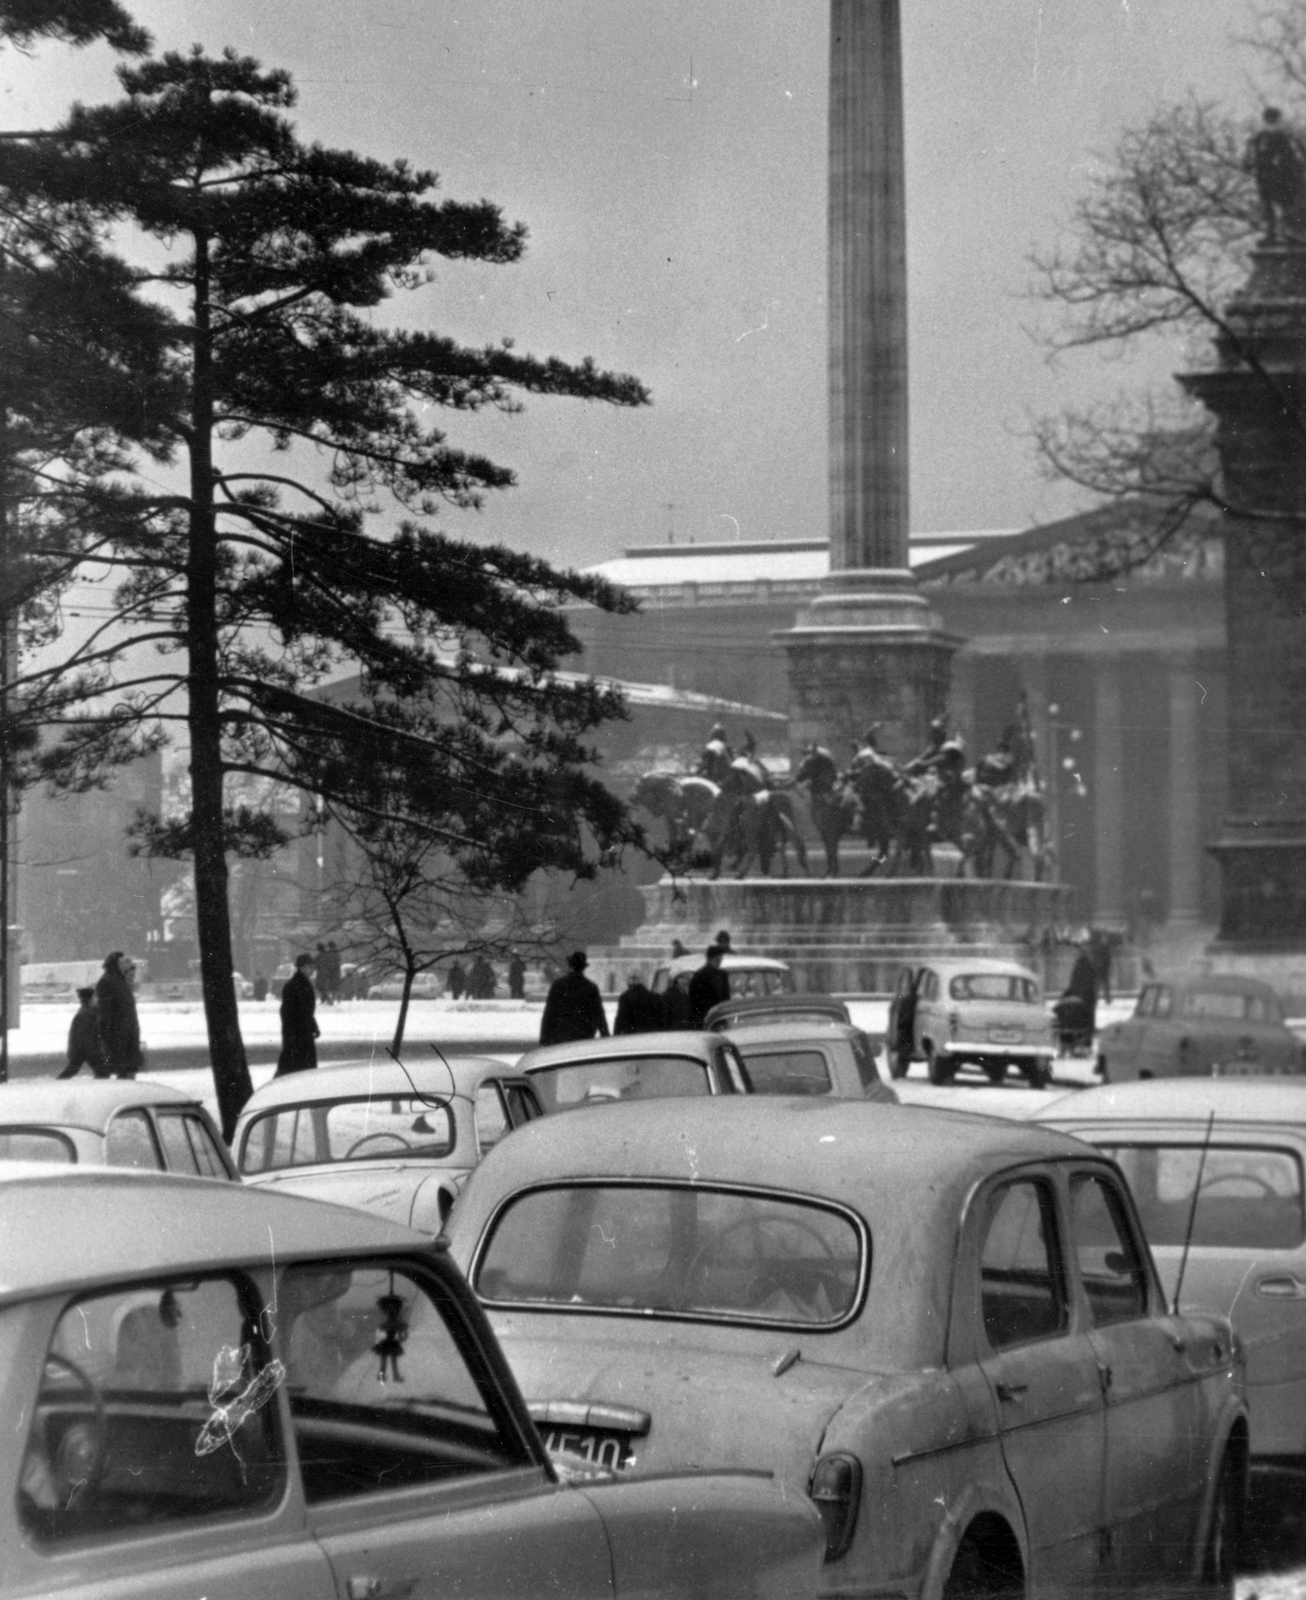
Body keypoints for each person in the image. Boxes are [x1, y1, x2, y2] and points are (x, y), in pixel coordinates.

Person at [1245, 107, 1306, 243]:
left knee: (1285, 203)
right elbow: (1249, 157)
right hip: (1264, 175)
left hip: (1282, 176)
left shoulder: (1283, 135)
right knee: (1269, 205)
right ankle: (1272, 233)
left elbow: (1293, 155)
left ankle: (1290, 231)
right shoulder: (1259, 136)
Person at [539, 951, 610, 1045]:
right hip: (584, 1035)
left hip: (561, 1035)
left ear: (570, 965)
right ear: (583, 968)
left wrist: (545, 1037)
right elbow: (598, 1014)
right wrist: (605, 1034)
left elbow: (549, 1012)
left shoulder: (558, 985)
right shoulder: (590, 987)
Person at [96, 951, 143, 1079]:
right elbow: (105, 1012)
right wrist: (107, 1034)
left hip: (128, 1033)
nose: (124, 965)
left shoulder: (120, 980)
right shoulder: (107, 982)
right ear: (114, 964)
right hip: (118, 1035)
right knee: (122, 1070)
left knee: (129, 1070)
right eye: (121, 962)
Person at [276, 952, 319, 1076]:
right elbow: (290, 1012)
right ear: (302, 967)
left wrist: (313, 1026)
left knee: (293, 1067)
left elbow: (306, 1011)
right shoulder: (296, 985)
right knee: (294, 1069)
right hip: (298, 1034)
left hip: (299, 1033)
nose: (313, 970)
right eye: (310, 967)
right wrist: (310, 1026)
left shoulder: (301, 984)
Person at [58, 988, 105, 1079]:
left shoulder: (86, 1012)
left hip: (80, 1049)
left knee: (73, 1069)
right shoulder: (87, 1014)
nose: (97, 999)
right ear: (91, 999)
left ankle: (57, 1083)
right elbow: (87, 1037)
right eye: (95, 997)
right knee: (102, 1072)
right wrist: (96, 1052)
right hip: (85, 1050)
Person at [688, 944, 730, 1027]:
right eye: (716, 960)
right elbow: (695, 1002)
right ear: (709, 959)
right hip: (705, 1019)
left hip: (721, 1017)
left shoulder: (723, 975)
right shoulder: (699, 976)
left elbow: (726, 997)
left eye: (720, 960)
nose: (719, 962)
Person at [614, 971, 664, 1035]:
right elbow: (660, 1017)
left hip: (631, 1034)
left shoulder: (625, 997)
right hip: (651, 1034)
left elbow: (621, 1018)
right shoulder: (654, 996)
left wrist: (616, 1034)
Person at [317, 940, 341, 1006]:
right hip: (331, 973)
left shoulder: (333, 954)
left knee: (329, 987)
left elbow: (332, 963)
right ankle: (330, 999)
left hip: (331, 973)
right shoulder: (333, 953)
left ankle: (330, 1000)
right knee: (331, 987)